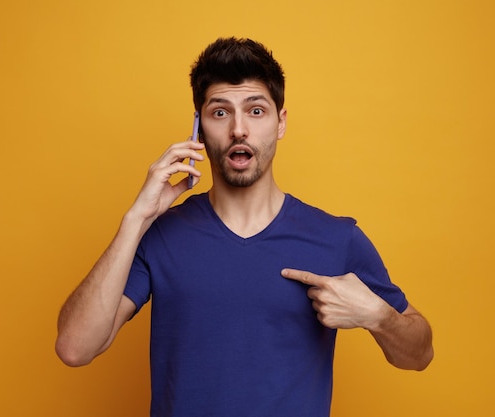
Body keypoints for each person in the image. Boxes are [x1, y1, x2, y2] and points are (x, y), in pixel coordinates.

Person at [55, 37, 433, 417]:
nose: (239, 129)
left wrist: (378, 317)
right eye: (220, 113)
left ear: (280, 123)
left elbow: (419, 355)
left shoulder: (336, 238)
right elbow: (74, 348)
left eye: (256, 111)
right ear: (199, 129)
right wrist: (135, 219)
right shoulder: (160, 235)